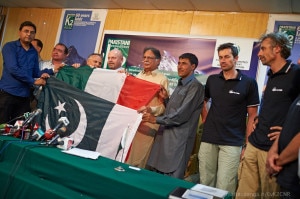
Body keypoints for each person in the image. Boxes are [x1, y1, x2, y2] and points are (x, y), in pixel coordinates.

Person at [236, 32, 300, 198]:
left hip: (273, 151)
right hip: (254, 145)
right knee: (243, 195)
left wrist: (287, 132)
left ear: (277, 49)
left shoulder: (296, 74)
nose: (259, 54)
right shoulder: (270, 75)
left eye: (263, 49)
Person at [198, 43, 260, 194]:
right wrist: (206, 118)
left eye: (227, 56)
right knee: (205, 181)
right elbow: (203, 101)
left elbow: (252, 116)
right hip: (209, 138)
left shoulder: (249, 83)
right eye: (220, 57)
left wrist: (247, 145)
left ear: (236, 58)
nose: (223, 60)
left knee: (224, 185)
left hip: (232, 141)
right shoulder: (212, 80)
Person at [142, 53, 204, 179]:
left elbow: (182, 115)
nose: (180, 66)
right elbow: (174, 109)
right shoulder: (181, 83)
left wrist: (155, 119)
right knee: (156, 177)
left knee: (171, 181)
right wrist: (166, 100)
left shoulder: (196, 87)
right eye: (179, 63)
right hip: (165, 137)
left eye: (184, 63)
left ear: (193, 67)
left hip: (178, 140)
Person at [126, 47, 168, 168]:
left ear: (158, 61)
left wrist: (150, 110)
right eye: (144, 57)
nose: (146, 60)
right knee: (126, 154)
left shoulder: (162, 79)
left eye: (149, 58)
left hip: (148, 122)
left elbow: (163, 107)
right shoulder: (138, 76)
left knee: (138, 160)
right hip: (133, 121)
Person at [0, 21, 49, 124]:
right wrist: (33, 81)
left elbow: (35, 72)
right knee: (2, 125)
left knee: (20, 128)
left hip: (25, 97)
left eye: (32, 32)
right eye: (26, 31)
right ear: (19, 32)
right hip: (7, 94)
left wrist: (48, 72)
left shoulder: (34, 52)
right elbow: (13, 68)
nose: (29, 34)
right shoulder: (9, 47)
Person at [266, 93, 300, 198]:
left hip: (295, 178)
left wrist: (278, 162)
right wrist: (274, 149)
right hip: (286, 175)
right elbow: (288, 126)